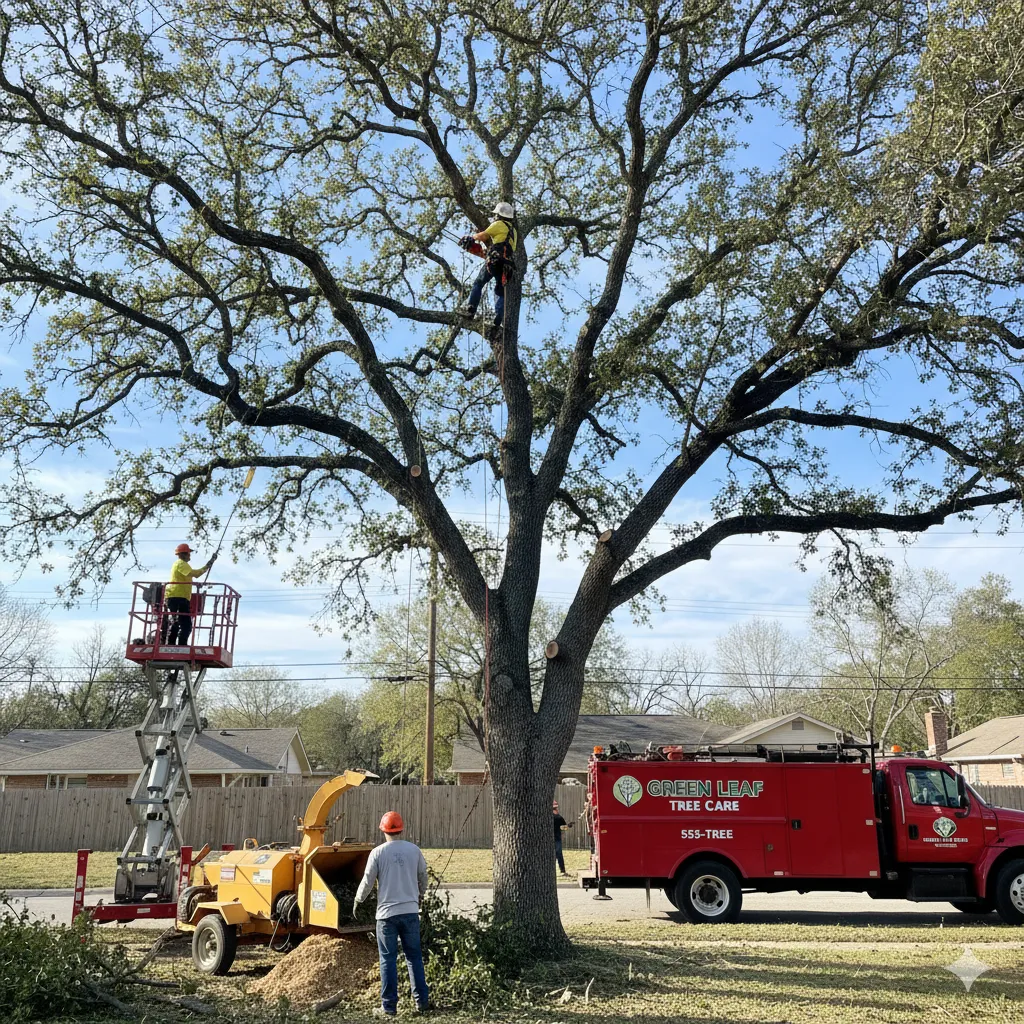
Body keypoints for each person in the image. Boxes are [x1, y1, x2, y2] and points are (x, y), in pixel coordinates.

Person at [354, 811, 430, 1018]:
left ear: (384, 830)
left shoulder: (378, 853)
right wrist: (420, 895)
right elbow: (423, 876)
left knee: (388, 959)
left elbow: (368, 881)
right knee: (414, 957)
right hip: (410, 912)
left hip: (386, 916)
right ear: (401, 829)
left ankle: (388, 1008)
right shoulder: (414, 850)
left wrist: (358, 900)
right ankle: (422, 1002)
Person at [459, 201, 518, 330]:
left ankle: (471, 309)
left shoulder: (498, 224)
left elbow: (483, 235)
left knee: (479, 282)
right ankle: (498, 316)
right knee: (499, 289)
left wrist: (471, 238)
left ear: (499, 215)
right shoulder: (514, 232)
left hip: (494, 260)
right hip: (507, 265)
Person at [161, 543, 215, 646]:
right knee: (184, 625)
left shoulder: (180, 564)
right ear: (183, 554)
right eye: (188, 553)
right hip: (177, 597)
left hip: (178, 597)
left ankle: (174, 644)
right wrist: (208, 564)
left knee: (178, 623)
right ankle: (179, 645)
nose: (190, 555)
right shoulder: (181, 564)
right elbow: (196, 574)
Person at [553, 800, 573, 876]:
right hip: (555, 839)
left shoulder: (559, 817)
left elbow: (563, 827)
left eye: (556, 808)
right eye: (555, 809)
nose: (556, 810)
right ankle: (560, 871)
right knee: (557, 854)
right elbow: (563, 827)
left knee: (558, 854)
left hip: (557, 838)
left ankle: (562, 870)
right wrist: (567, 826)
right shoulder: (556, 817)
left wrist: (568, 826)